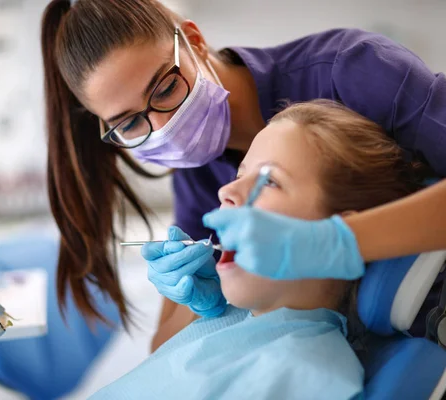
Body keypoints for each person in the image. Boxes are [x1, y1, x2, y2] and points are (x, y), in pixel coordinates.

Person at [41, 0, 446, 349]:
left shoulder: (351, 69)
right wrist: (206, 300)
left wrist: (335, 243)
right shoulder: (198, 174)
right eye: (129, 123)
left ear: (195, 42)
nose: (163, 125)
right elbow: (164, 347)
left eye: (164, 89)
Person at [90, 100, 428, 399]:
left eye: (269, 181)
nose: (226, 190)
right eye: (239, 173)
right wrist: (196, 308)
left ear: (340, 228)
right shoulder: (235, 313)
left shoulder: (305, 376)